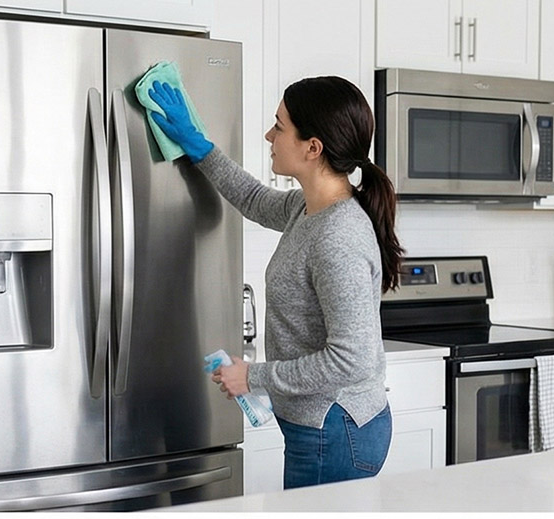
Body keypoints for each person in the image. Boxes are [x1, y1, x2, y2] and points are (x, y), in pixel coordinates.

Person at [150, 76, 404, 489]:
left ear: (312, 147)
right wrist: (198, 146)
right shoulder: (309, 207)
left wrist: (254, 376)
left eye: (279, 126)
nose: (270, 136)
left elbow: (351, 359)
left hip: (335, 432)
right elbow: (253, 199)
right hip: (325, 427)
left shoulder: (338, 236)